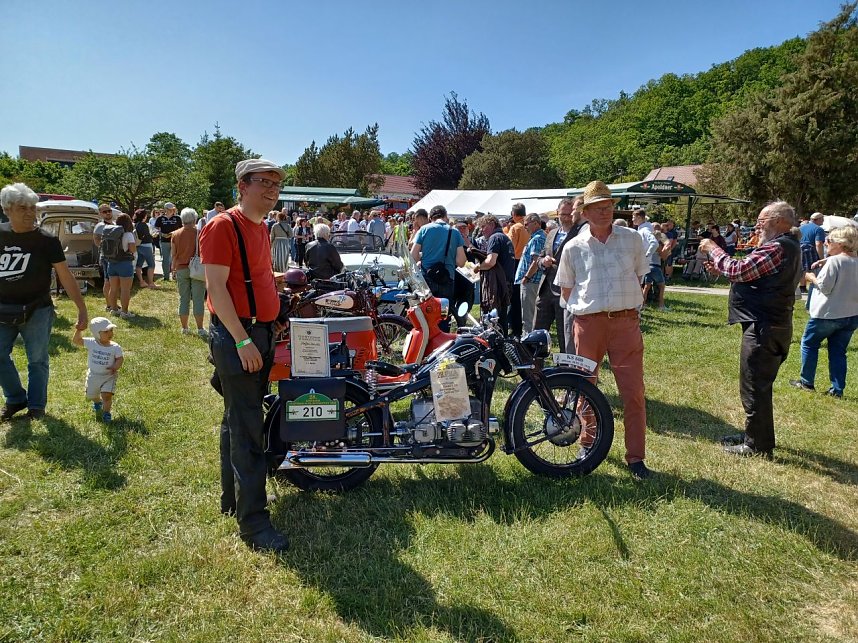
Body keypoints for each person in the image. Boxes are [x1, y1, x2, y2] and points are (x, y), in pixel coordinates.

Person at [199, 158, 288, 553]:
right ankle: (254, 526)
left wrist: (275, 304)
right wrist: (241, 340)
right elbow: (216, 289)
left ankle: (231, 500)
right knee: (248, 428)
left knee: (237, 417)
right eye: (263, 182)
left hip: (261, 332)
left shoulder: (261, 227)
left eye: (276, 184)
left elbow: (254, 278)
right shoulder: (223, 226)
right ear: (242, 185)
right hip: (241, 337)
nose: (271, 189)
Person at [554, 181, 651, 479]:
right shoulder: (573, 247)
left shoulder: (633, 239)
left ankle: (636, 457)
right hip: (589, 324)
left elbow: (640, 276)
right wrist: (589, 313)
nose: (604, 212)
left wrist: (625, 310)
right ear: (584, 212)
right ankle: (588, 443)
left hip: (625, 324)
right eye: (597, 208)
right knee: (585, 388)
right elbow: (567, 290)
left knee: (633, 392)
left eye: (607, 207)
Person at [699, 200, 802, 459]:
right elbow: (748, 274)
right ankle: (754, 435)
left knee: (754, 386)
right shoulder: (784, 246)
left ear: (779, 221)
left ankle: (757, 445)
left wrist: (712, 247)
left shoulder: (778, 247)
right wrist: (725, 270)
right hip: (771, 325)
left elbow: (738, 268)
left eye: (761, 220)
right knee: (757, 385)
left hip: (764, 328)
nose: (757, 225)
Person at [0, 183, 88, 420]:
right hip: (2, 310)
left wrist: (81, 308)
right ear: (7, 209)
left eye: (32, 207)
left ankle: (36, 406)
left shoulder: (46, 240)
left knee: (37, 360)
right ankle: (16, 398)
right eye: (22, 208)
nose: (30, 213)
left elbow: (65, 275)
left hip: (37, 309)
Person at [789, 225, 858, 398]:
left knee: (809, 344)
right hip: (851, 314)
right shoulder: (853, 260)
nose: (826, 243)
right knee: (838, 351)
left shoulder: (834, 262)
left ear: (841, 243)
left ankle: (806, 382)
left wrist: (811, 277)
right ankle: (837, 389)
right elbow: (846, 261)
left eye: (829, 240)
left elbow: (825, 288)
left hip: (827, 314)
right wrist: (824, 260)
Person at [534, 197, 584, 353]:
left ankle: (565, 369)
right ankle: (534, 368)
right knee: (537, 333)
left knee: (565, 335)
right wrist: (543, 261)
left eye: (570, 214)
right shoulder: (551, 233)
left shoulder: (581, 232)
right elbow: (540, 257)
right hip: (545, 289)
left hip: (566, 291)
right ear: (557, 214)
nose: (567, 218)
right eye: (563, 214)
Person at [410, 206, 466, 332]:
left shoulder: (424, 229)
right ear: (445, 216)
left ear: (430, 217)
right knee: (444, 314)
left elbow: (413, 255)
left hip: (427, 278)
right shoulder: (454, 232)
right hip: (447, 278)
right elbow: (461, 262)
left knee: (427, 313)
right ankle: (442, 341)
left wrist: (422, 259)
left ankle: (428, 341)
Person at [72, 316, 123, 422]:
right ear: (96, 334)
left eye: (111, 330)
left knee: (107, 395)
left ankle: (106, 413)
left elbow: (120, 359)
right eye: (106, 332)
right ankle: (97, 402)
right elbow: (76, 340)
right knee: (91, 395)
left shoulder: (115, 347)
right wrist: (79, 330)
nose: (110, 333)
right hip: (93, 376)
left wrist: (115, 366)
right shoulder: (92, 343)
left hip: (109, 376)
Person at [474, 215, 516, 334]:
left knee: (494, 319)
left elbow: (491, 261)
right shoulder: (504, 237)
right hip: (506, 282)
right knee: (501, 318)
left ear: (492, 224)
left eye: (483, 226)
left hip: (498, 285)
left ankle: (498, 348)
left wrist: (477, 267)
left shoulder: (495, 238)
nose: (481, 230)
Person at [171, 207, 208, 337]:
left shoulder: (175, 234)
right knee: (198, 299)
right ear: (194, 219)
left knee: (183, 299)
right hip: (197, 269)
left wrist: (173, 269)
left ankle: (185, 328)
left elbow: (173, 255)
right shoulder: (200, 233)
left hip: (181, 268)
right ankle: (200, 328)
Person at [515, 213, 546, 334]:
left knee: (528, 316)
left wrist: (526, 277)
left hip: (531, 281)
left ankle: (528, 344)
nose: (525, 227)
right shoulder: (537, 237)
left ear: (536, 223)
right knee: (529, 315)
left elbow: (535, 261)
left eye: (527, 224)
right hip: (531, 281)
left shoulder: (537, 238)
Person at [104, 213, 137, 319]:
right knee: (125, 289)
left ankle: (114, 309)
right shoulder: (128, 235)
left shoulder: (111, 233)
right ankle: (125, 312)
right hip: (124, 264)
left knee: (113, 288)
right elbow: (132, 250)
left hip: (112, 263)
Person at [506, 203, 530, 337]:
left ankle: (516, 328)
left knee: (515, 298)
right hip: (527, 263)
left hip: (515, 263)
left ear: (514, 214)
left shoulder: (515, 228)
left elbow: (510, 247)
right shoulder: (528, 226)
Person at [93, 204, 114, 307]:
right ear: (100, 214)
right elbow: (96, 240)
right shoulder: (100, 226)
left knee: (113, 280)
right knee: (108, 280)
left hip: (115, 256)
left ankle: (113, 302)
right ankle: (109, 304)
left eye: (109, 210)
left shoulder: (114, 224)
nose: (108, 213)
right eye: (105, 212)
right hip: (106, 256)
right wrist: (104, 249)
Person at [154, 202, 182, 281]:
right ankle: (166, 276)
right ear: (166, 209)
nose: (171, 211)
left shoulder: (177, 218)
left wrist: (172, 234)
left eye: (172, 209)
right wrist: (161, 233)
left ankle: (175, 275)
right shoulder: (160, 218)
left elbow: (181, 229)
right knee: (165, 259)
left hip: (175, 241)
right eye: (169, 209)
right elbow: (156, 229)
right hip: (164, 241)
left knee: (175, 258)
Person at [799, 212, 826, 292]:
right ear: (817, 220)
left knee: (802, 269)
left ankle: (802, 287)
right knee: (812, 269)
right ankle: (813, 287)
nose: (823, 221)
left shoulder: (801, 227)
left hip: (799, 249)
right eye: (822, 219)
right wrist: (821, 259)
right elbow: (818, 244)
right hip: (810, 250)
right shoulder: (818, 229)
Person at [133, 208, 158, 289]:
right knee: (151, 264)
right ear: (144, 216)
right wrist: (154, 235)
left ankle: (141, 281)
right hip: (146, 246)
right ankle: (151, 283)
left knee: (139, 264)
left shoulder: (136, 224)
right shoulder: (144, 225)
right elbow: (147, 236)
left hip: (139, 246)